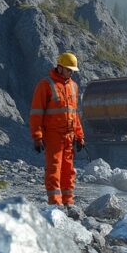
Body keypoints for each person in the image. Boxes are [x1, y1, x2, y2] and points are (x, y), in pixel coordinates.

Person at [30, 52, 85, 214]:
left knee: (69, 171)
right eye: (69, 70)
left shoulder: (73, 86)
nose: (71, 73)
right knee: (54, 170)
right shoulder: (45, 85)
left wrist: (80, 136)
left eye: (73, 70)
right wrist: (37, 136)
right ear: (59, 68)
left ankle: (68, 202)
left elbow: (75, 114)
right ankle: (55, 204)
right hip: (53, 136)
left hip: (69, 136)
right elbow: (36, 113)